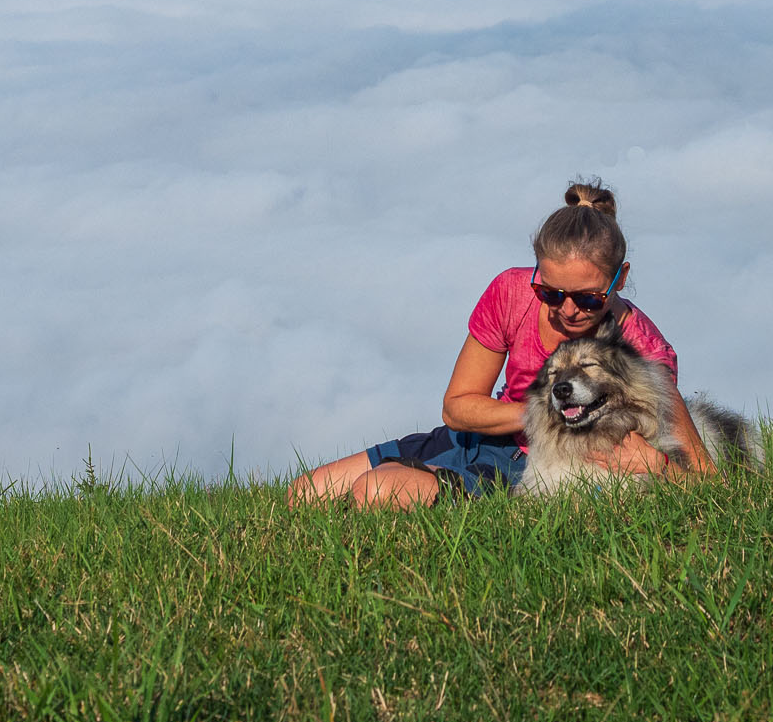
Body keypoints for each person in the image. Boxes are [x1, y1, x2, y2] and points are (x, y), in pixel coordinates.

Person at [289, 180, 717, 508]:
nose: (567, 310)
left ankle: (424, 493)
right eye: (550, 292)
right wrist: (542, 413)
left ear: (619, 279)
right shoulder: (511, 292)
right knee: (303, 496)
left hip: (536, 464)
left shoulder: (640, 348)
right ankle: (422, 479)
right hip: (478, 436)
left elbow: (708, 481)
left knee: (377, 492)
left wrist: (659, 469)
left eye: (587, 298)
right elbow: (457, 407)